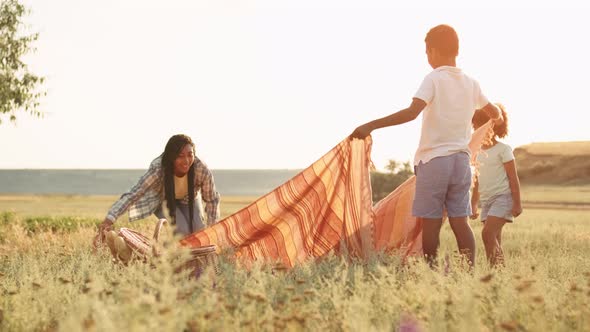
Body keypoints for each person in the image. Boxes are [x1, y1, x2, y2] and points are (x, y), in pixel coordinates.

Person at [350, 24, 503, 267]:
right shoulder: (471, 83)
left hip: (434, 162)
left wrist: (370, 125)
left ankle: (430, 272)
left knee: (430, 224)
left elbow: (412, 113)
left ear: (433, 51)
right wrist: (484, 120)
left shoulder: (433, 79)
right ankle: (468, 271)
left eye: (426, 52)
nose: (427, 57)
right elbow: (495, 112)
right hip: (462, 164)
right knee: (460, 222)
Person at [95, 134, 220, 243]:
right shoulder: (158, 169)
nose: (186, 160)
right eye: (180, 156)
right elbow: (134, 193)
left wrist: (212, 230)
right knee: (182, 232)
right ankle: (170, 258)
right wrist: (109, 219)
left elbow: (212, 200)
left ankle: (195, 263)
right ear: (172, 157)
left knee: (199, 232)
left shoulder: (201, 169)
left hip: (189, 199)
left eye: (190, 155)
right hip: (164, 200)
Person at [470, 104, 522, 267]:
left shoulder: (503, 149)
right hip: (487, 201)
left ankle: (499, 272)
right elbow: (477, 180)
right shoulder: (477, 151)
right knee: (493, 239)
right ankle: (496, 277)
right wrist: (473, 203)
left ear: (491, 125)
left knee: (487, 234)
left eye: (479, 125)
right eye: (475, 126)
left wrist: (517, 203)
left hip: (503, 198)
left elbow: (513, 178)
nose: (476, 129)